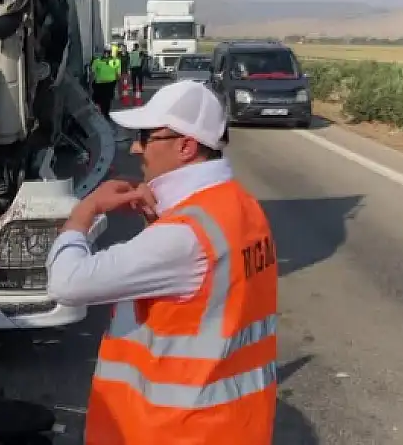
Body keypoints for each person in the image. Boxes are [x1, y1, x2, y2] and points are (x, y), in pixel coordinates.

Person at [46, 80, 277, 445]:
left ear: (185, 146)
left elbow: (67, 284)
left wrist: (85, 210)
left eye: (145, 135)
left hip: (173, 431)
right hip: (233, 426)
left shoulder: (183, 236)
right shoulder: (242, 207)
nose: (136, 147)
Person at [90, 49, 121, 115]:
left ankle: (100, 112)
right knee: (107, 99)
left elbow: (92, 73)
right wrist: (117, 85)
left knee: (100, 98)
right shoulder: (115, 62)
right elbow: (118, 74)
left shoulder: (97, 61)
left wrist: (90, 83)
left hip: (99, 83)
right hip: (110, 83)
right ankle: (106, 113)